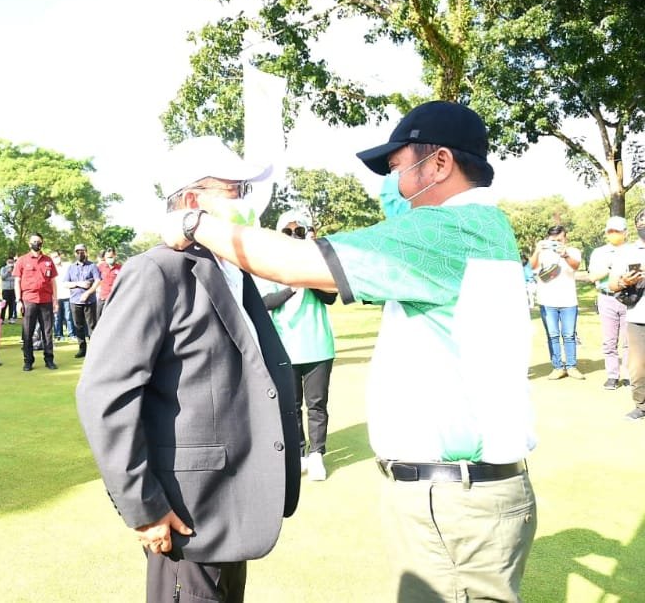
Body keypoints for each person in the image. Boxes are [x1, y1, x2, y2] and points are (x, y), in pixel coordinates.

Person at [162, 102, 538, 602]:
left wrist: (194, 224)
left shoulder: (446, 231)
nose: (391, 182)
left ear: (441, 163)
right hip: (469, 497)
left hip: (454, 502)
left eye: (398, 166)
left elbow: (294, 263)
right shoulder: (485, 228)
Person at [77, 137, 300, 602]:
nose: (246, 202)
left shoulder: (229, 268)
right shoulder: (156, 271)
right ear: (193, 201)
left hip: (231, 499)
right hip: (187, 511)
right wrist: (143, 506)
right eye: (234, 190)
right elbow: (106, 395)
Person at [256, 211, 336, 482]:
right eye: (287, 232)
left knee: (317, 404)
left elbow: (330, 297)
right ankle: (299, 453)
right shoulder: (269, 265)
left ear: (307, 234)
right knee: (290, 405)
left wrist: (308, 273)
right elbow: (264, 302)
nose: (293, 237)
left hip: (318, 345)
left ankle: (317, 455)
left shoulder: (318, 262)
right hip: (284, 346)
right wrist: (292, 285)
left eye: (298, 232)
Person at [531, 225, 584, 379]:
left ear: (565, 238)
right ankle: (557, 367)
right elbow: (532, 267)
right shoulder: (543, 253)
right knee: (553, 335)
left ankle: (571, 366)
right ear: (548, 239)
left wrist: (565, 255)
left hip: (568, 301)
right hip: (547, 301)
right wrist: (537, 250)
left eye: (559, 240)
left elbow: (576, 266)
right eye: (553, 241)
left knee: (569, 335)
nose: (556, 243)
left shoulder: (572, 252)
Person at [608, 209, 645, 421]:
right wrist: (625, 282)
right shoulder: (627, 252)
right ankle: (641, 406)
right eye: (641, 223)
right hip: (638, 317)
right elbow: (613, 284)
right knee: (638, 367)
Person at [587, 216, 629, 389]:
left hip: (628, 298)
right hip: (606, 297)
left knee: (628, 341)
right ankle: (612, 375)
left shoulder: (633, 250)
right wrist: (609, 268)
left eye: (617, 231)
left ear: (625, 233)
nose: (614, 234)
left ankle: (628, 375)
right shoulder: (599, 252)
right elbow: (592, 276)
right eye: (611, 231)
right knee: (609, 341)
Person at [13, 233, 57, 371]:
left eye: (38, 241)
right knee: (27, 332)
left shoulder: (48, 261)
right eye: (33, 241)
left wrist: (55, 300)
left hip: (46, 300)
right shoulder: (22, 260)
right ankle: (28, 361)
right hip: (29, 300)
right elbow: (17, 281)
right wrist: (18, 300)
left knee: (47, 332)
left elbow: (53, 281)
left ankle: (49, 359)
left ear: (42, 243)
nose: (36, 243)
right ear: (29, 243)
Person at [65, 243, 101, 359]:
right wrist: (78, 284)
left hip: (89, 301)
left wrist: (88, 292)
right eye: (77, 251)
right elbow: (65, 283)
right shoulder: (71, 267)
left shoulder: (92, 266)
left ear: (86, 252)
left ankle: (94, 350)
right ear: (75, 253)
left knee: (92, 326)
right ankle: (82, 349)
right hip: (75, 301)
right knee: (78, 326)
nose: (80, 253)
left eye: (82, 251)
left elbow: (97, 281)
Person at [51, 251, 75, 340]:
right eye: (53, 257)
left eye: (57, 256)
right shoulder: (50, 268)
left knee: (68, 316)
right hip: (56, 296)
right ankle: (58, 335)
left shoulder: (67, 266)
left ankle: (72, 334)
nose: (56, 259)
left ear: (60, 256)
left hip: (67, 294)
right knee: (57, 317)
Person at [96, 247, 122, 319]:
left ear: (115, 255)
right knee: (99, 320)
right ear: (104, 257)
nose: (109, 259)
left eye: (111, 257)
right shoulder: (100, 267)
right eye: (107, 257)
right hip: (102, 298)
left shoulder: (120, 268)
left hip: (114, 299)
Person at [0, 256, 17, 324]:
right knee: (4, 304)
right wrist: (8, 272)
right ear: (6, 262)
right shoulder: (3, 269)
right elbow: (3, 277)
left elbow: (15, 278)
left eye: (12, 262)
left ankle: (10, 318)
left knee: (12, 304)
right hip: (5, 289)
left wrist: (9, 277)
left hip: (13, 289)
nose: (10, 263)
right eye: (9, 262)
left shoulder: (15, 269)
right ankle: (2, 318)